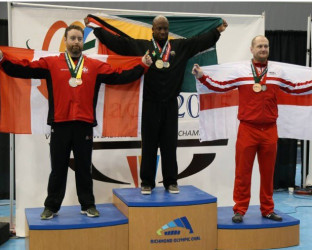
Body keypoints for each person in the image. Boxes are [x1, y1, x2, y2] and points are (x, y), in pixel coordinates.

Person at [0, 25, 152, 219]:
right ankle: (52, 207)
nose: (76, 42)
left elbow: (119, 76)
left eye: (79, 39)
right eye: (72, 38)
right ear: (65, 40)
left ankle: (87, 204)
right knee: (58, 169)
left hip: (84, 125)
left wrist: (143, 66)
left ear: (83, 42)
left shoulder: (95, 66)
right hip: (60, 124)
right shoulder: (51, 63)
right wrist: (3, 60)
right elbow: (24, 69)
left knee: (83, 168)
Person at [85, 15, 228, 195]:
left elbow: (199, 42)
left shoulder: (179, 47)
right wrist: (97, 30)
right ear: (152, 29)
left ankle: (171, 182)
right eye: (159, 28)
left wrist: (216, 32)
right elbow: (119, 43)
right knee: (149, 145)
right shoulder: (141, 46)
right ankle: (147, 182)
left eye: (165, 29)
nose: (162, 32)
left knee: (170, 145)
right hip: (149, 104)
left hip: (170, 105)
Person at [192, 35, 312, 223]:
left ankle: (267, 209)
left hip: (270, 130)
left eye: (266, 46)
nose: (263, 49)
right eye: (259, 46)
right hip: (247, 129)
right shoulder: (241, 72)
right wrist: (202, 77)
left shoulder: (277, 71)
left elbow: (295, 88)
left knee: (267, 173)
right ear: (251, 49)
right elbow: (221, 87)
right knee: (242, 172)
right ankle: (240, 209)